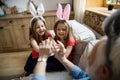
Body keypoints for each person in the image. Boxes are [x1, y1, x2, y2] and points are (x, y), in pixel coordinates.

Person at [32, 8, 120, 80]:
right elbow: (83, 75)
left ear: (104, 71)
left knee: (34, 63)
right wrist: (62, 58)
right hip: (59, 58)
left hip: (58, 62)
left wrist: (42, 59)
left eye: (92, 56)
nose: (87, 57)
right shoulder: (89, 77)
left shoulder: (70, 39)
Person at [24, 1, 52, 76]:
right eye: (37, 27)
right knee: (26, 68)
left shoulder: (48, 34)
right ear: (33, 29)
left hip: (42, 56)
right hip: (36, 53)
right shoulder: (32, 38)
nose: (41, 28)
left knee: (31, 71)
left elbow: (51, 42)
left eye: (42, 26)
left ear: (45, 26)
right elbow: (37, 49)